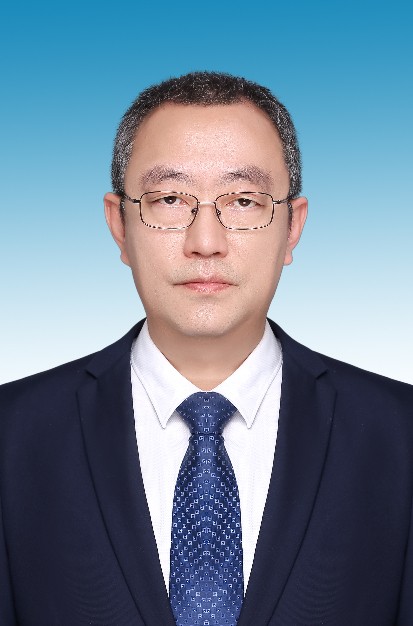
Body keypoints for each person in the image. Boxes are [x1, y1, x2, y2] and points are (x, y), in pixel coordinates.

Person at [0, 71, 412, 626]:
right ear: (119, 225)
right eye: (170, 199)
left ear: (292, 228)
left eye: (243, 201)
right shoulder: (13, 433)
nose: (206, 242)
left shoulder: (399, 433)